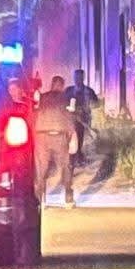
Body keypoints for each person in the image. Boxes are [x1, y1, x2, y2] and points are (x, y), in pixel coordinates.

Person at [33, 74, 75, 207]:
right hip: (59, 136)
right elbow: (70, 117)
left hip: (42, 137)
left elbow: (35, 111)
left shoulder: (42, 97)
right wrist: (73, 137)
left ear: (52, 85)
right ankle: (68, 196)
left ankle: (41, 199)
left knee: (41, 169)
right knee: (65, 166)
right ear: (62, 86)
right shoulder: (67, 99)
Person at [63, 68, 100, 166]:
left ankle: (78, 156)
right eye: (76, 77)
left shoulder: (89, 91)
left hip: (83, 120)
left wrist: (87, 110)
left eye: (79, 77)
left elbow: (96, 104)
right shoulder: (68, 91)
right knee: (69, 140)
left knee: (79, 138)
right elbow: (62, 103)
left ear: (83, 78)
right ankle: (73, 157)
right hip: (69, 120)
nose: (77, 79)